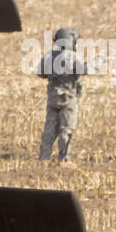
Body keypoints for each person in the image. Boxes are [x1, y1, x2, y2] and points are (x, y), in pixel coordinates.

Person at [38, 27, 86, 165]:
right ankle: (64, 159)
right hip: (68, 99)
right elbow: (83, 69)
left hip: (52, 99)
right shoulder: (72, 56)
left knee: (49, 129)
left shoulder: (49, 56)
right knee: (66, 128)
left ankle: (43, 158)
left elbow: (40, 73)